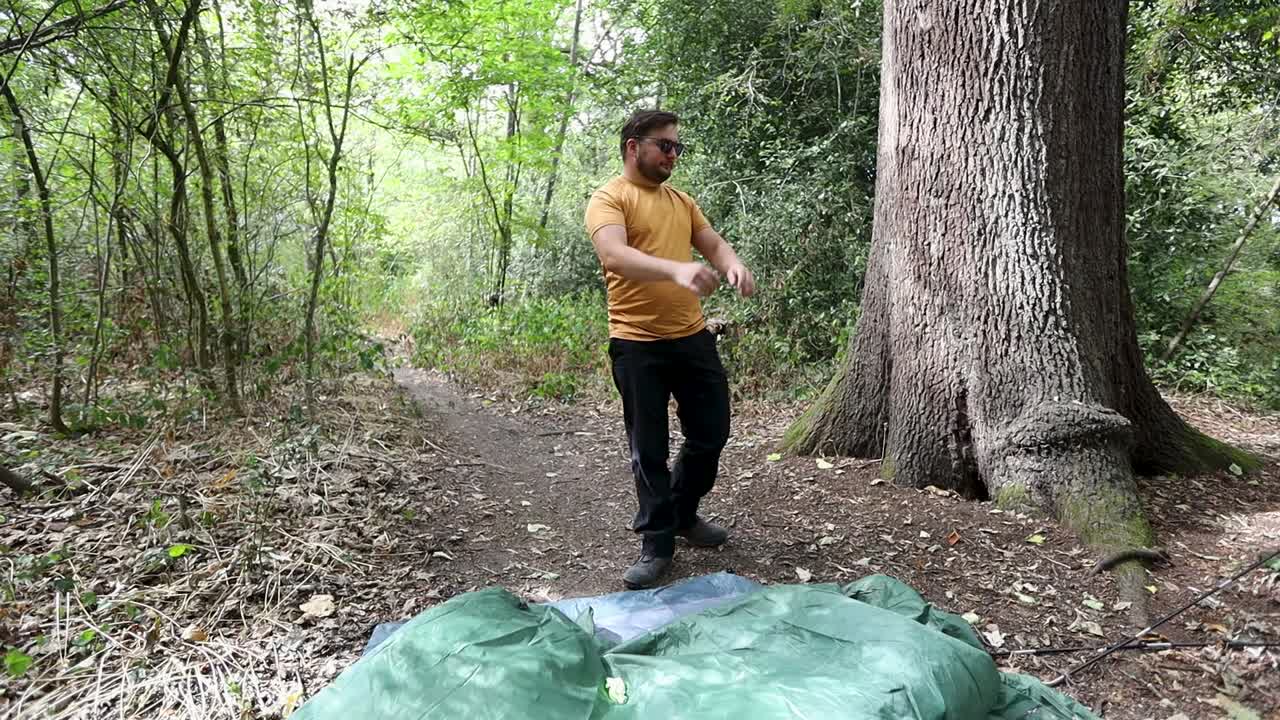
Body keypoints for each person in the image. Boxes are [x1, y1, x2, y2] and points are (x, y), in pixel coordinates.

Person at [584, 109, 755, 589]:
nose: (673, 155)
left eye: (678, 147)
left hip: (691, 337)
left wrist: (734, 264)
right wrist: (677, 270)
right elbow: (614, 254)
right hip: (637, 344)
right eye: (666, 145)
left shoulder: (681, 201)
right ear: (633, 146)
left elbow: (713, 243)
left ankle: (682, 513)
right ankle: (656, 541)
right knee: (649, 448)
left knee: (711, 431)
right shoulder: (609, 199)